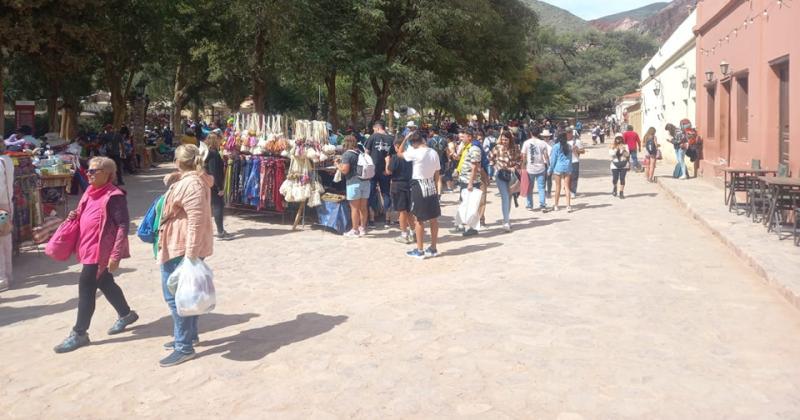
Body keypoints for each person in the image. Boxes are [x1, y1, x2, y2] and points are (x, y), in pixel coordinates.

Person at [54, 157, 137, 353]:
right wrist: (75, 216)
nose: (88, 174)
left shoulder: (114, 195)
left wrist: (116, 255)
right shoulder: (90, 192)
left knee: (86, 287)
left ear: (107, 174)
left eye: (94, 171)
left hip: (100, 250)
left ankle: (79, 333)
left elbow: (123, 225)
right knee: (104, 282)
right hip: (87, 246)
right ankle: (126, 314)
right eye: (88, 171)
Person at [157, 144, 215, 367]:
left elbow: (196, 222)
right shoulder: (191, 180)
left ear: (178, 161)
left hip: (181, 248)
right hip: (178, 245)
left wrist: (190, 256)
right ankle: (188, 337)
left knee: (176, 298)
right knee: (187, 295)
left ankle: (184, 346)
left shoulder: (192, 185)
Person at [396, 132, 441, 259]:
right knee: (433, 218)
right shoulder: (433, 152)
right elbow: (437, 173)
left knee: (419, 219)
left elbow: (399, 153)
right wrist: (438, 189)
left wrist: (404, 138)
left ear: (413, 143)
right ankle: (433, 247)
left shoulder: (415, 152)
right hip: (431, 185)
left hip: (419, 185)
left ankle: (420, 250)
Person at [452, 129, 484, 236]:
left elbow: (475, 166)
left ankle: (472, 228)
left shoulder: (474, 149)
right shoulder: (467, 147)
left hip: (471, 181)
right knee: (464, 203)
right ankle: (460, 225)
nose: (462, 139)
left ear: (469, 137)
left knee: (472, 205)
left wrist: (470, 182)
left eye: (464, 137)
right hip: (464, 179)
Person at [337, 136, 369, 237]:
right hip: (366, 182)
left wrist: (337, 165)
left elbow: (345, 170)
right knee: (363, 208)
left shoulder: (347, 154)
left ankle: (355, 230)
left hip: (353, 183)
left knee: (354, 208)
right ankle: (362, 228)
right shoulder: (360, 152)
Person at [489, 131, 520, 232]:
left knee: (509, 197)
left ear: (510, 139)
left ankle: (507, 219)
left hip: (511, 175)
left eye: (506, 139)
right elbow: (490, 157)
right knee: (505, 197)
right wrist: (495, 166)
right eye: (502, 139)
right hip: (500, 175)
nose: (504, 141)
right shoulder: (497, 148)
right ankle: (506, 221)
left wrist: (514, 167)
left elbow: (519, 160)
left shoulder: (515, 148)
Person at [386, 136, 415, 244]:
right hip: (409, 184)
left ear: (397, 146)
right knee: (409, 211)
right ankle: (413, 232)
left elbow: (388, 171)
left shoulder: (395, 157)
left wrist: (386, 162)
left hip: (398, 185)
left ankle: (404, 234)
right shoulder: (410, 157)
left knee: (402, 211)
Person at [365, 120, 394, 227]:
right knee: (386, 193)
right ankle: (387, 219)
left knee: (371, 193)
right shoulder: (391, 138)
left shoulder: (372, 137)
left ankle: (372, 219)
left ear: (377, 128)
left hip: (372, 170)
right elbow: (392, 156)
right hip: (386, 171)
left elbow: (366, 154)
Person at [521, 126, 550, 211]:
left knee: (530, 187)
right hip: (541, 167)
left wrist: (523, 166)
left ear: (530, 133)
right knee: (541, 187)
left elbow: (524, 156)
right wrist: (548, 165)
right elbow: (546, 155)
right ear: (539, 134)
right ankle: (542, 204)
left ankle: (529, 205)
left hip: (530, 168)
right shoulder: (542, 143)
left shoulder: (526, 143)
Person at [204, 133, 227, 239]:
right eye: (219, 140)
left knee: (211, 207)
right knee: (218, 206)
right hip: (213, 184)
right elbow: (215, 173)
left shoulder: (207, 152)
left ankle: (214, 231)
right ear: (215, 140)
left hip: (208, 183)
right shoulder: (213, 154)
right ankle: (220, 232)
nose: (221, 142)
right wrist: (220, 188)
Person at [0, 143, 14, 291]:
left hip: (1, 205)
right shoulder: (7, 160)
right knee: (5, 241)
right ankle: (8, 276)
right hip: (7, 204)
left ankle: (2, 279)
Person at [548, 132, 573, 212]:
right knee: (567, 187)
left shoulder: (556, 146)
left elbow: (553, 160)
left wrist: (550, 169)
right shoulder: (569, 146)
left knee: (558, 187)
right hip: (567, 167)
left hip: (558, 168)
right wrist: (570, 168)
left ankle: (556, 205)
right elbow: (570, 158)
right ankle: (568, 205)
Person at [610, 135, 631, 199]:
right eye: (617, 139)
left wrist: (624, 150)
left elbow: (627, 155)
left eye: (620, 139)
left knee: (622, 178)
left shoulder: (626, 146)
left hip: (623, 164)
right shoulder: (612, 146)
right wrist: (617, 149)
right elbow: (611, 155)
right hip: (615, 164)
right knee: (615, 179)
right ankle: (615, 187)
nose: (619, 140)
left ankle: (621, 192)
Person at [567, 128, 585, 198]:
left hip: (575, 161)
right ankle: (568, 189)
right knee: (567, 177)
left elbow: (583, 151)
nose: (569, 134)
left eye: (570, 133)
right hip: (566, 162)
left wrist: (577, 150)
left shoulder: (578, 142)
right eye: (568, 133)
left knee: (574, 177)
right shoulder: (564, 141)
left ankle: (573, 191)